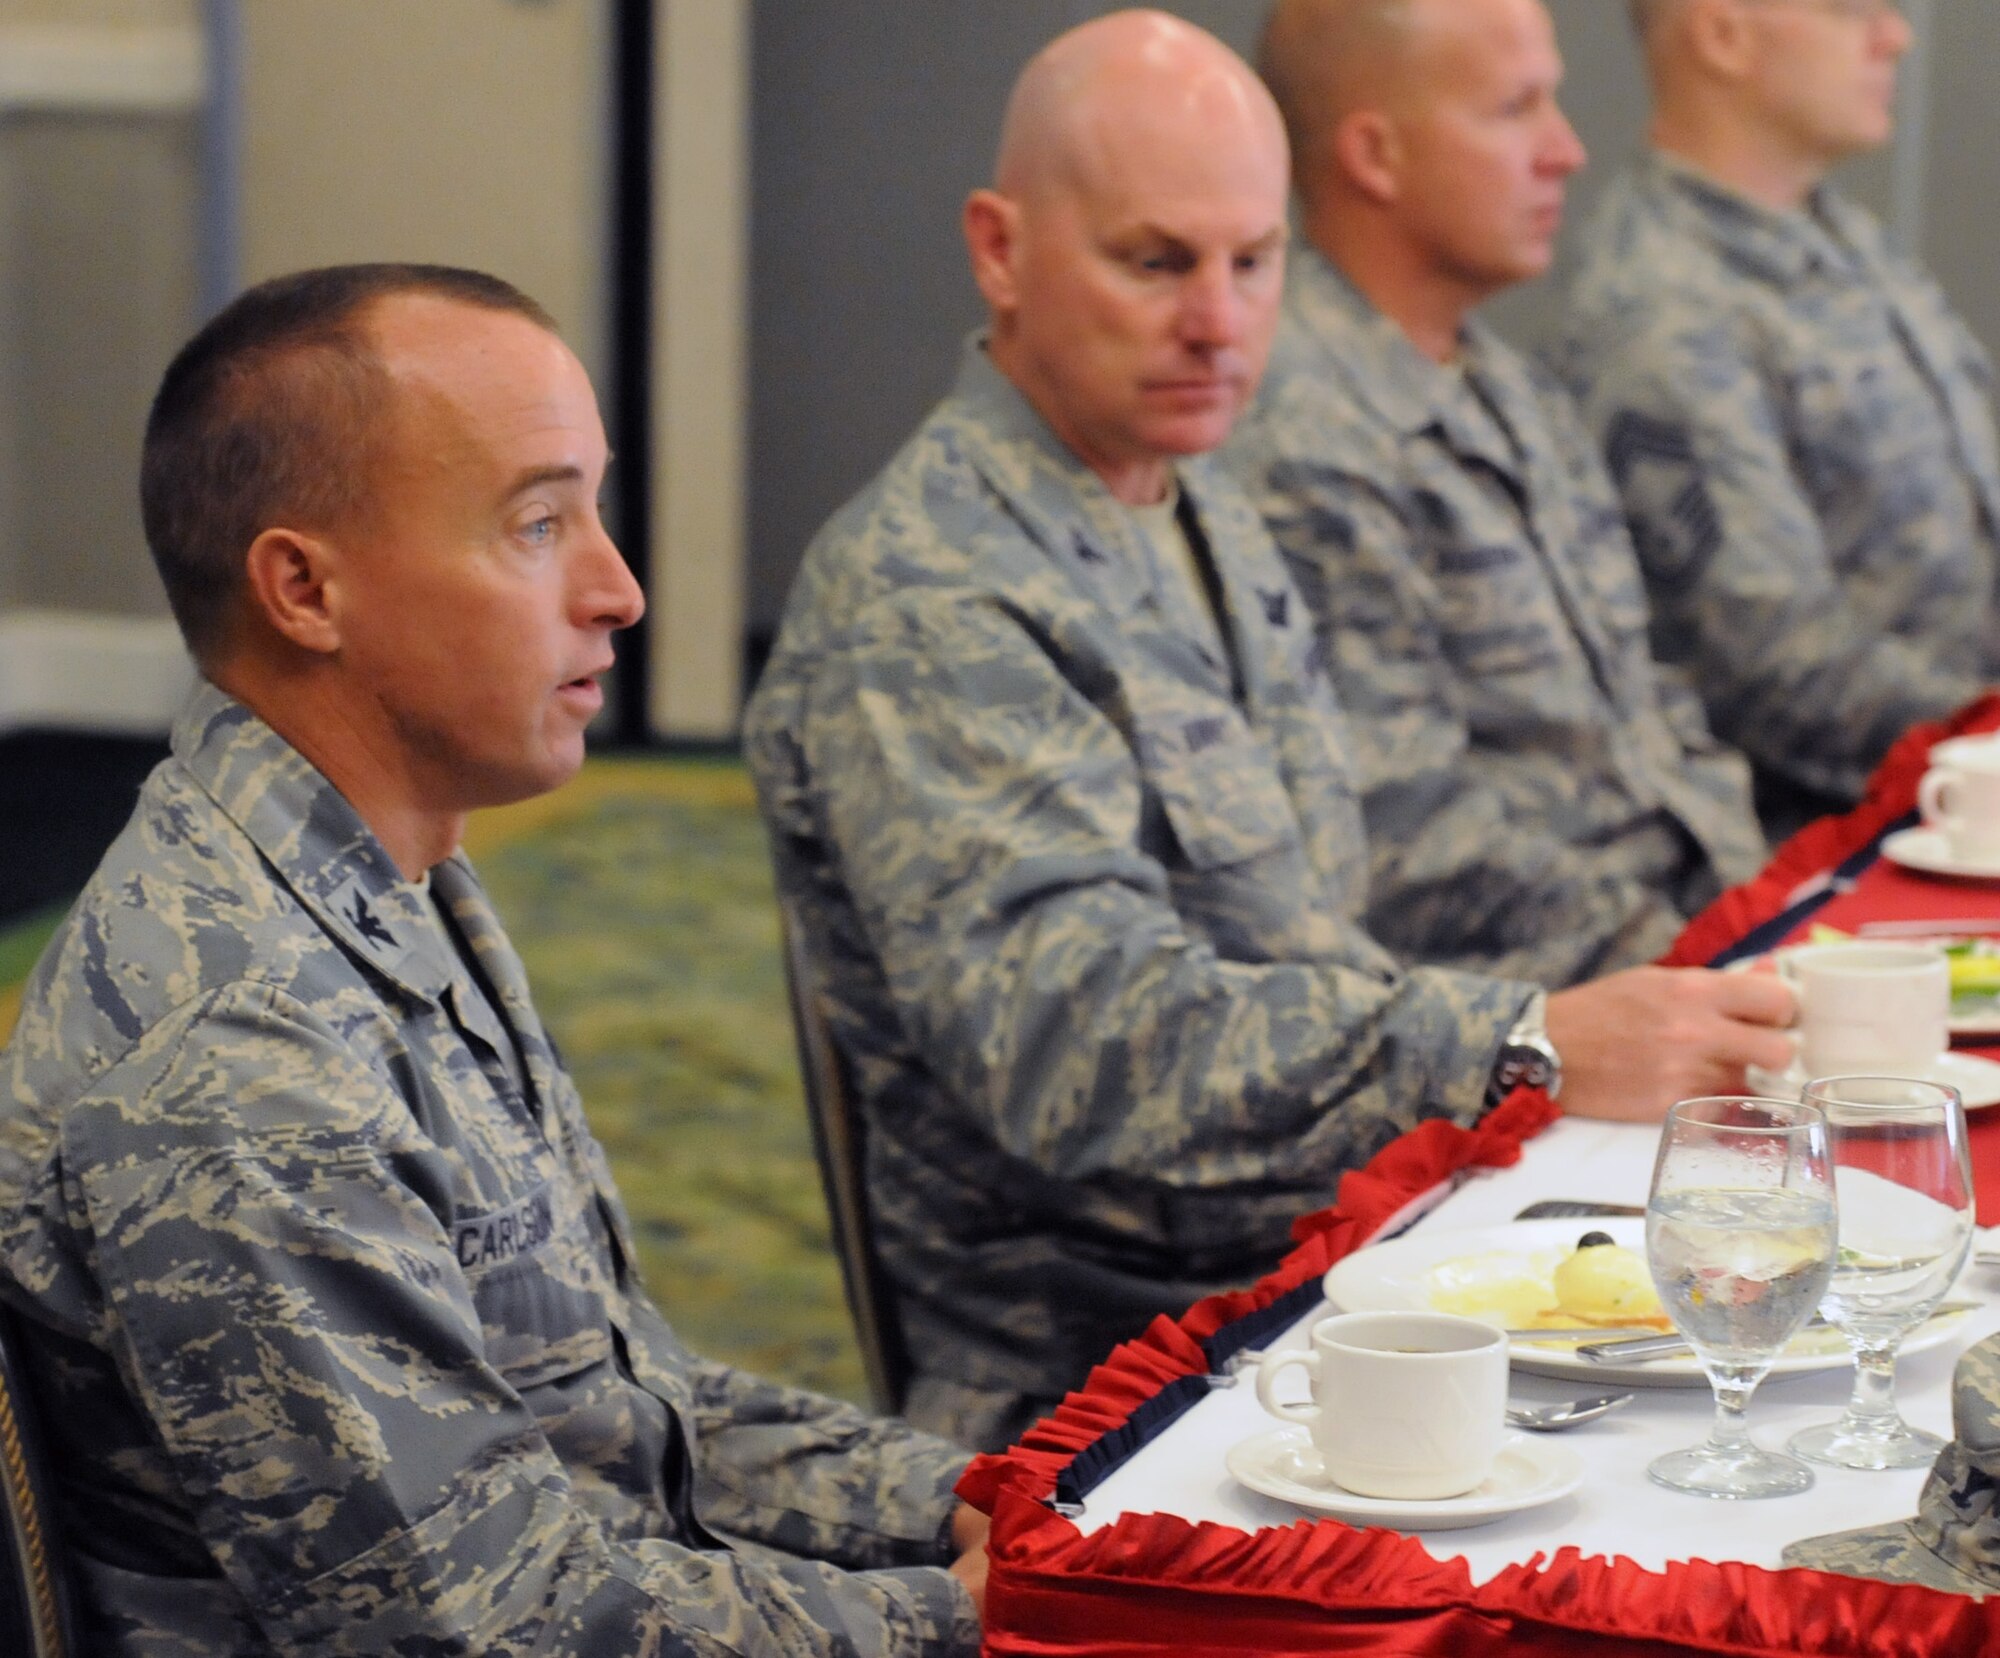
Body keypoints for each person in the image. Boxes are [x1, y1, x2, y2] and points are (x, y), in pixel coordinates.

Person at [744, 10, 1795, 1453]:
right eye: (1156, 260)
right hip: (1126, 1381)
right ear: (1000, 248)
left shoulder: (1188, 498)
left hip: (1331, 1270)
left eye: (1255, 262)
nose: (1220, 320)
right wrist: (1518, 1040)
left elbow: (1308, 943)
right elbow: (1083, 1048)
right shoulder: (933, 593)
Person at [0, 264, 986, 1656]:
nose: (622, 589)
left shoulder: (391, 872)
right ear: (303, 589)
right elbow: (481, 1629)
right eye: (538, 522)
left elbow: (625, 1412)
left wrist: (996, 1501)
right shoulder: (238, 1043)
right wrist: (964, 1620)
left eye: (595, 506)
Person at [1229, 0, 1768, 987]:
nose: (1564, 150)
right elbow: (1396, 833)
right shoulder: (1296, 433)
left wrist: (1761, 906)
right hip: (1533, 1020)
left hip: (1686, 945)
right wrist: (1701, 958)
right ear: (1375, 156)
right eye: (1514, 109)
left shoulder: (1509, 387)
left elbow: (1650, 709)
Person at [1553, 0, 2000, 838]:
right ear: (1723, 35)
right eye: (1851, 8)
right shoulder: (1664, 309)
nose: (1894, 34)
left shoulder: (1841, 238)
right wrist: (1985, 736)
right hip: (1843, 843)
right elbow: (1776, 668)